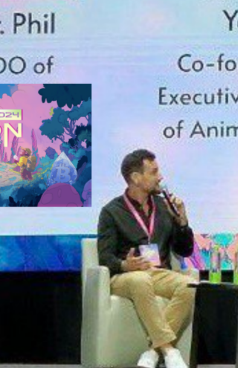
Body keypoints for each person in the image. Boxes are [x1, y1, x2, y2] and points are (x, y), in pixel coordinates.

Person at [96, 149, 196, 368]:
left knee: (189, 285)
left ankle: (153, 352)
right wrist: (125, 264)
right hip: (126, 276)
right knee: (140, 279)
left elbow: (185, 250)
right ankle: (168, 350)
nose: (160, 177)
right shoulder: (111, 212)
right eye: (154, 172)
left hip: (158, 273)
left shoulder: (164, 206)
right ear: (136, 178)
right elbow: (104, 258)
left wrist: (182, 221)